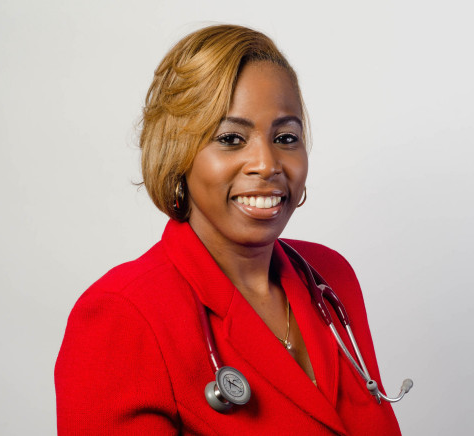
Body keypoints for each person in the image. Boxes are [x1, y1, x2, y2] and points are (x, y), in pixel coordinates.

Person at [55, 25, 402, 435]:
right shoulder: (122, 319)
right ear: (178, 153)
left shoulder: (332, 277)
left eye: (285, 137)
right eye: (231, 138)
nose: (267, 164)